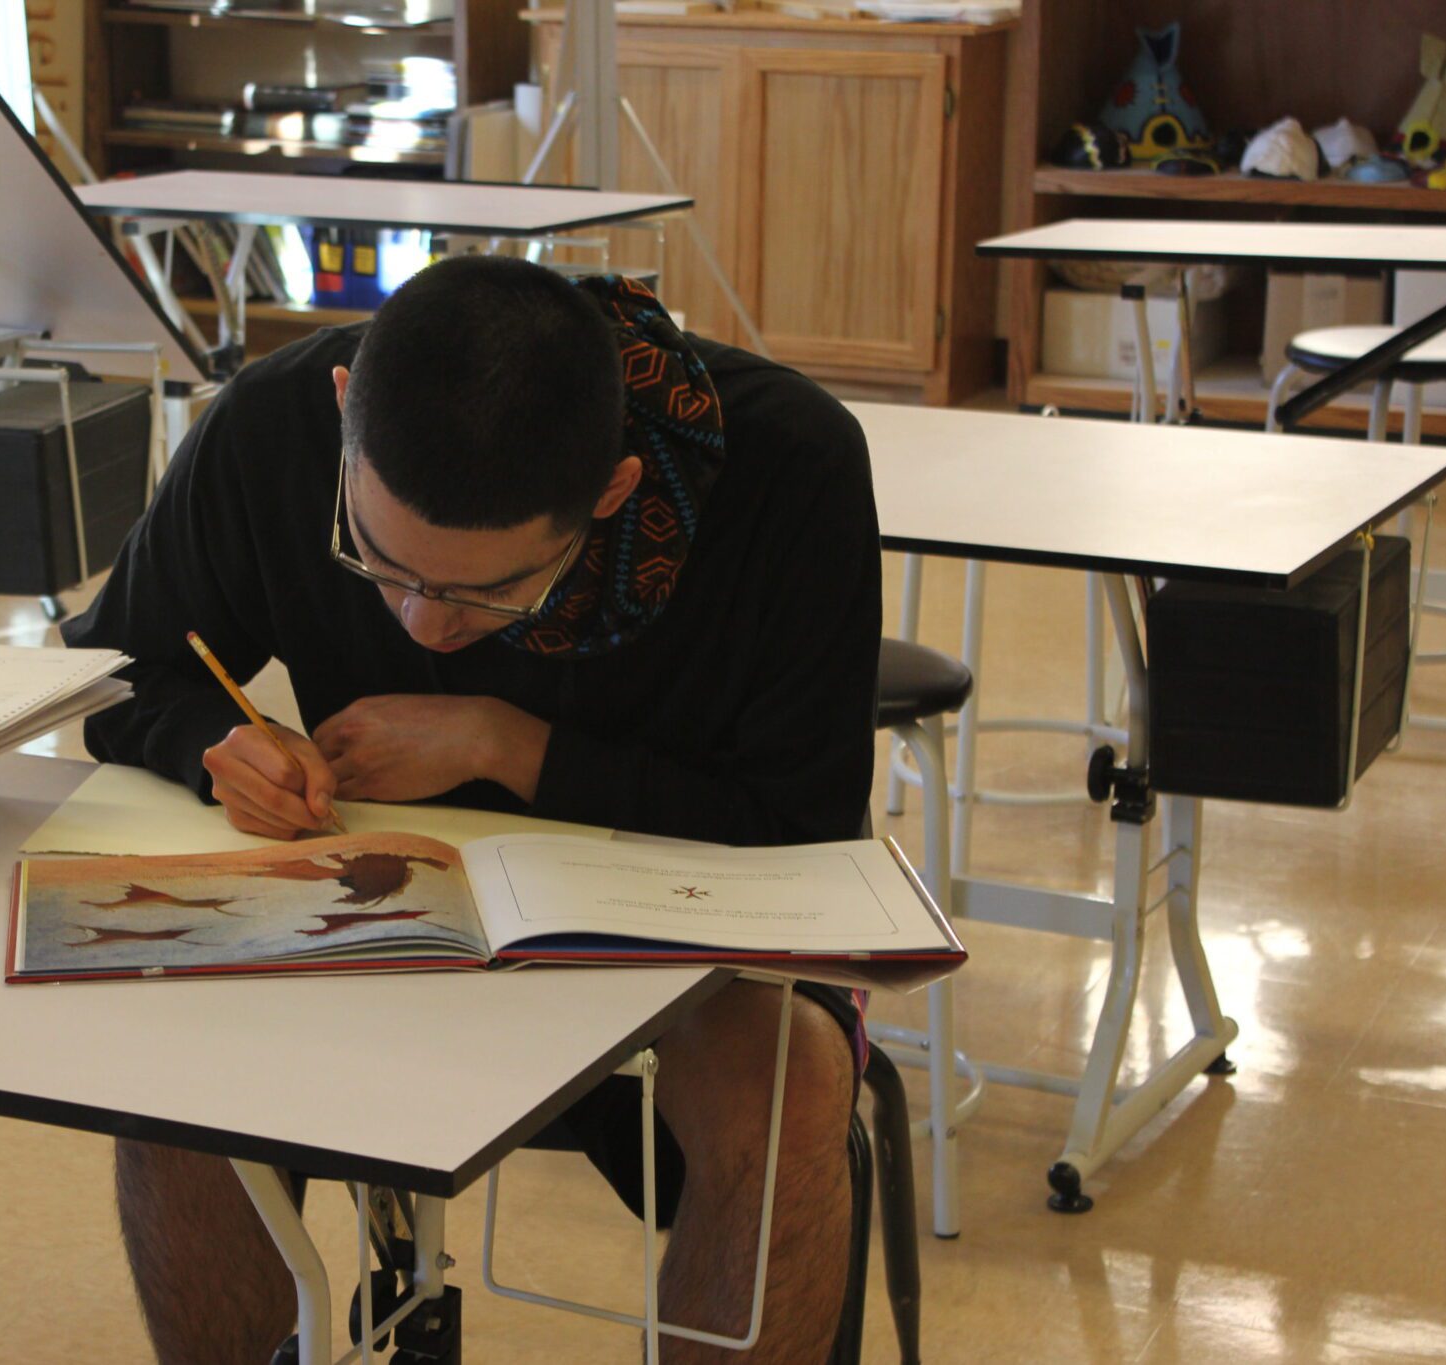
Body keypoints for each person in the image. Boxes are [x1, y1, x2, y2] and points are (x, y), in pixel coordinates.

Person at [64, 255, 881, 1364]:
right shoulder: (274, 420)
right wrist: (215, 744)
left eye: (490, 591)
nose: (418, 627)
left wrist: (513, 748)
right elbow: (117, 671)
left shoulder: (791, 469)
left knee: (782, 1089)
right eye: (378, 560)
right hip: (375, 899)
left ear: (608, 492)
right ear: (348, 412)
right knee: (169, 1073)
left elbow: (800, 837)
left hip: (679, 917)